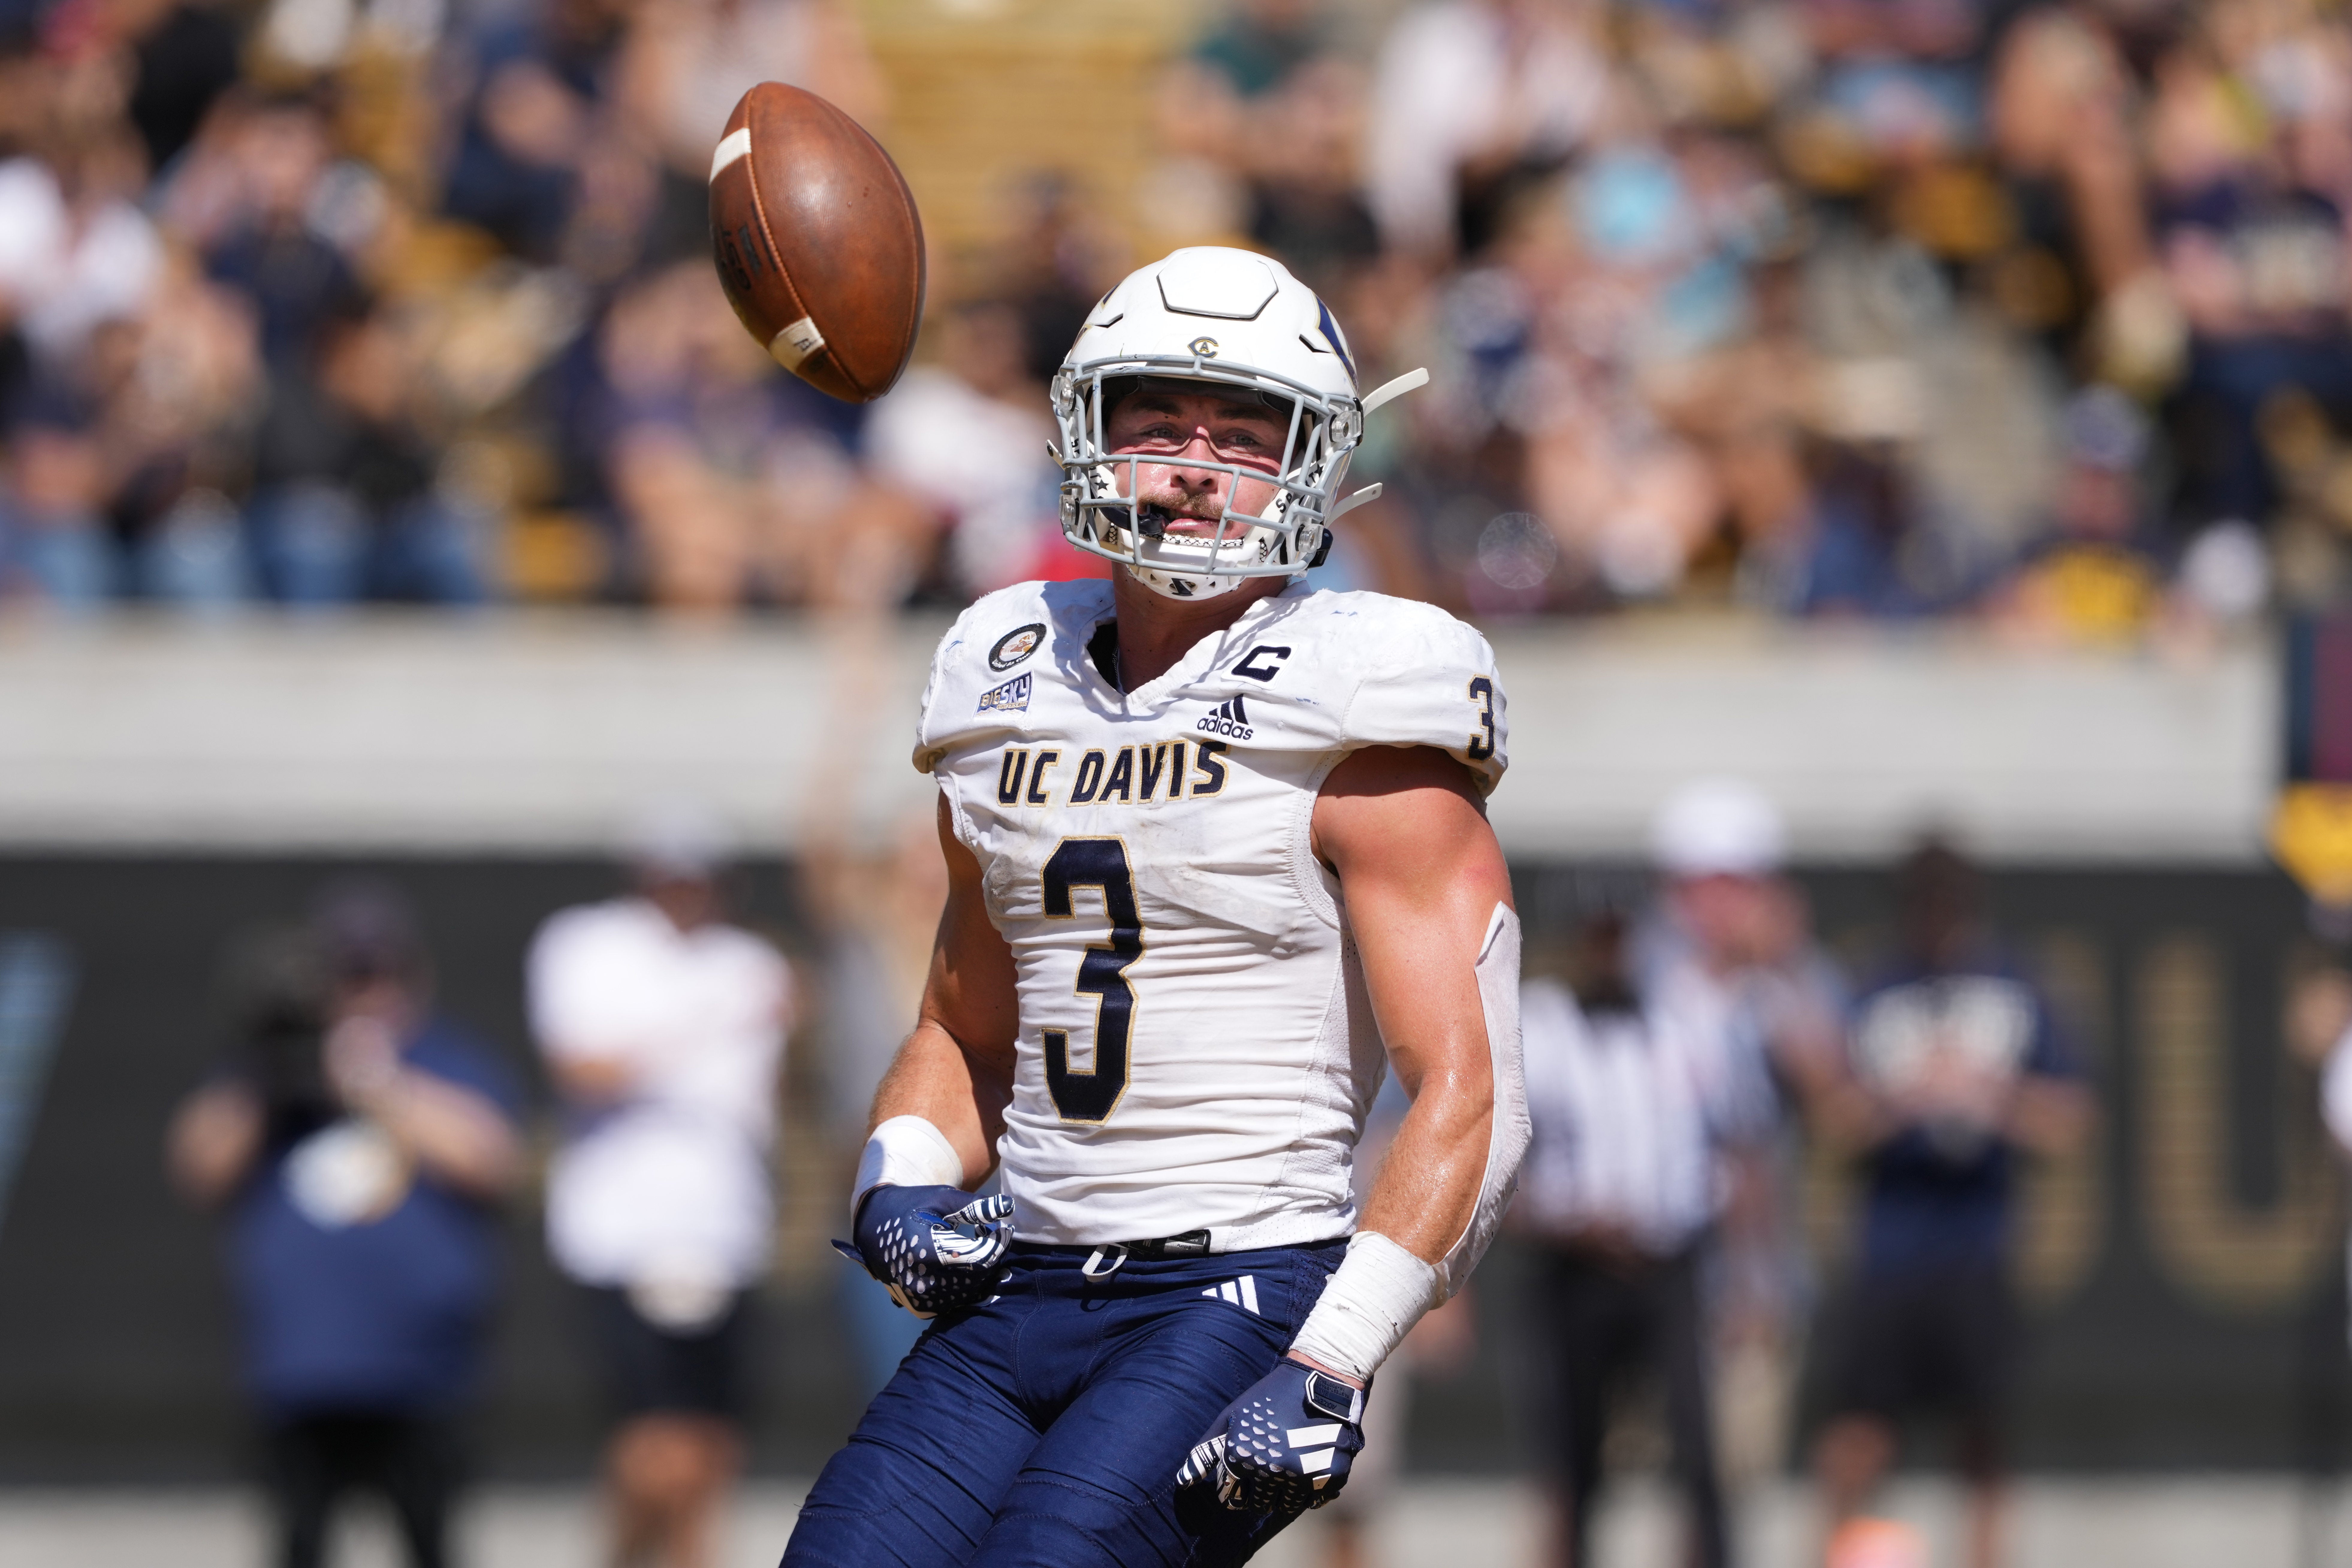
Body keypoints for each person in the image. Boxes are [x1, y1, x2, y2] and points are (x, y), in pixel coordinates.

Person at [782, 244, 1529, 1568]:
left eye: (1244, 436)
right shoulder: (1002, 668)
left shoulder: (1364, 685)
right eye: (1160, 422)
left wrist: (1336, 1358)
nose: (1195, 464)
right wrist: (897, 1178)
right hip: (1026, 1274)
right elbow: (963, 1028)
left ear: (1314, 460)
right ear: (1088, 435)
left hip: (1234, 1283)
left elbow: (1471, 1092)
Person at [165, 884, 523, 1568]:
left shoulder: (446, 1060)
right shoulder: (272, 1079)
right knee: (300, 1544)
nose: (365, 993)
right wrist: (271, 1069)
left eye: (378, 973)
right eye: (347, 976)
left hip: (422, 1371)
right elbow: (198, 1168)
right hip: (301, 1370)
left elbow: (492, 1161)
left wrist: (374, 1082)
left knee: (431, 1545)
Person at [1804, 840, 2092, 1568]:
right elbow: (1833, 1120)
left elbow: (2070, 1120)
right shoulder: (1871, 990)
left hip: (1978, 1249)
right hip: (1890, 1251)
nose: (1934, 918)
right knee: (1858, 1433)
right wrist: (1905, 1100)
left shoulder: (2018, 987)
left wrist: (1990, 1094)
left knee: (1983, 1438)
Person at [527, 804, 792, 1568]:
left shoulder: (752, 964)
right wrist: (704, 1025)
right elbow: (583, 1066)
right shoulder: (588, 946)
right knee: (654, 1450)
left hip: (726, 1235)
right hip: (625, 1236)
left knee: (708, 1451)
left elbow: (764, 1103)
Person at [1516, 909, 1734, 1568]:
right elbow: (1504, 1154)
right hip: (1578, 1265)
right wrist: (1566, 1218)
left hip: (1670, 1262)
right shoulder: (1543, 1023)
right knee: (1574, 1451)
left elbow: (1731, 1146)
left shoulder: (1680, 1020)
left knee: (1699, 1449)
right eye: (1598, 940)